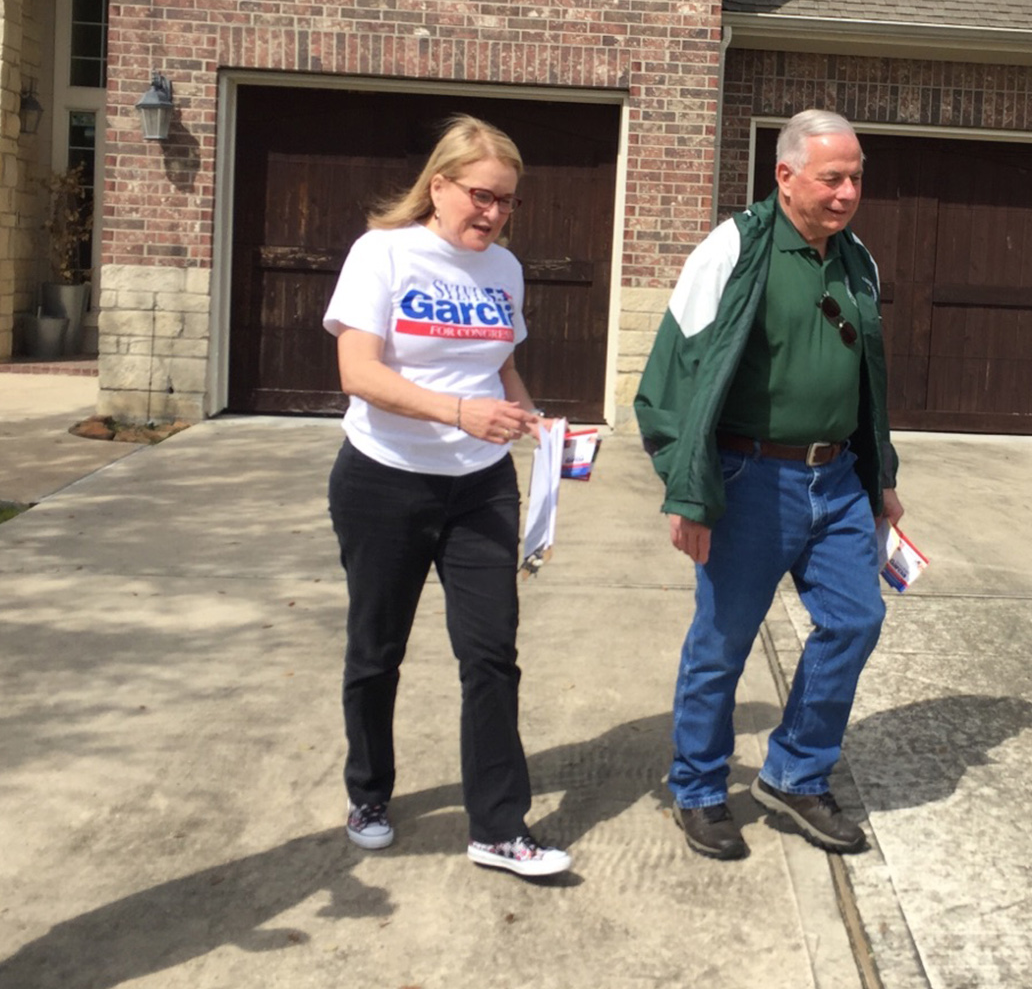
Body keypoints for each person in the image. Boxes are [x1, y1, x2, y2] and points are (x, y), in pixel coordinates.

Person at [634, 109, 904, 860]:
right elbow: (670, 378)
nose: (847, 193)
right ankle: (696, 787)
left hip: (838, 480)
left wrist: (879, 477)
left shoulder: (859, 262)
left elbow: (869, 380)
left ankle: (794, 773)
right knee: (722, 644)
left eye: (855, 178)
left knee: (855, 622)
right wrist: (687, 490)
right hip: (749, 477)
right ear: (785, 176)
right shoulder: (734, 248)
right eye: (832, 178)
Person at [323, 114, 570, 877]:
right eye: (481, 196)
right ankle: (369, 791)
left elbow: (498, 367)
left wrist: (535, 421)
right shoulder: (384, 254)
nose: (493, 213)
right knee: (378, 649)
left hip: (479, 488)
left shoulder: (505, 270)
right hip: (383, 480)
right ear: (439, 186)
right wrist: (459, 412)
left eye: (507, 202)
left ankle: (498, 827)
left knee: (491, 653)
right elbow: (358, 374)